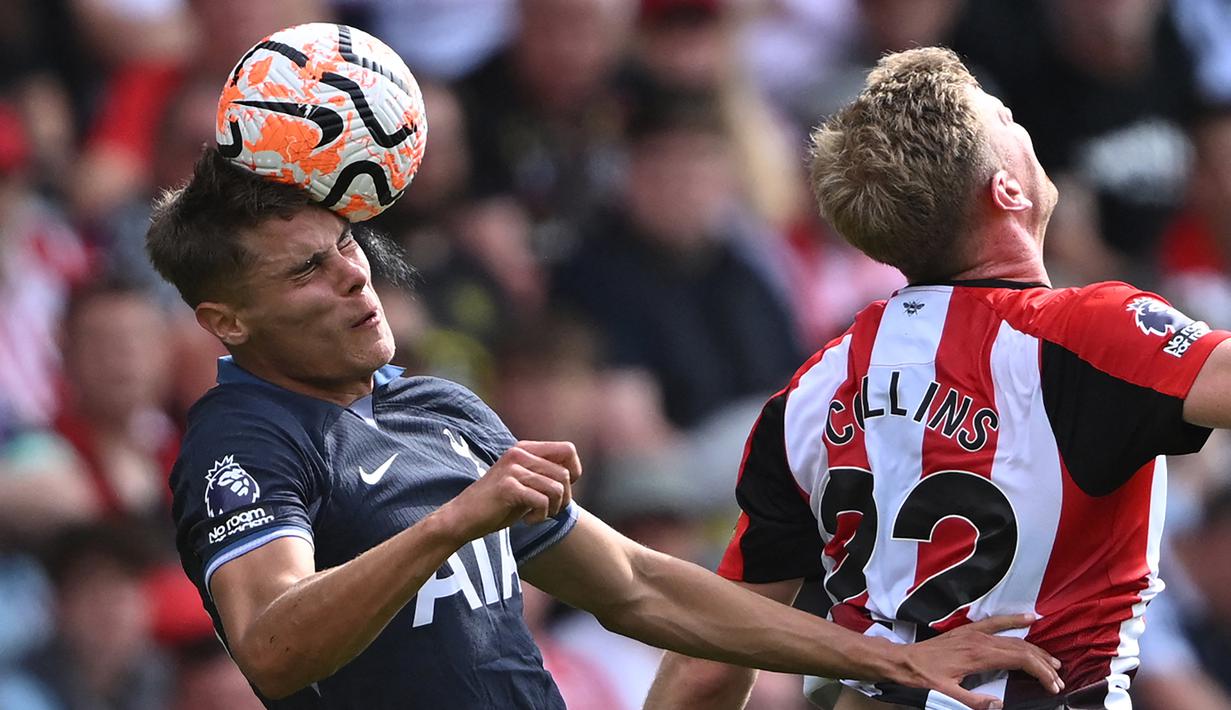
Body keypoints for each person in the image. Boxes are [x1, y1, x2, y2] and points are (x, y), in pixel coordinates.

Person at [143, 146, 1064, 710]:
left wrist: (890, 659)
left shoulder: (437, 410)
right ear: (228, 321)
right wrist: (451, 525)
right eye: (304, 270)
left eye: (344, 244)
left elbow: (635, 585)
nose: (353, 274)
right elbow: (272, 647)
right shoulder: (244, 440)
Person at [647, 46, 1231, 710]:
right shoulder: (1087, 332)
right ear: (1006, 189)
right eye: (1004, 118)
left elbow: (706, 664)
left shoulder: (812, 389)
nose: (1021, 123)